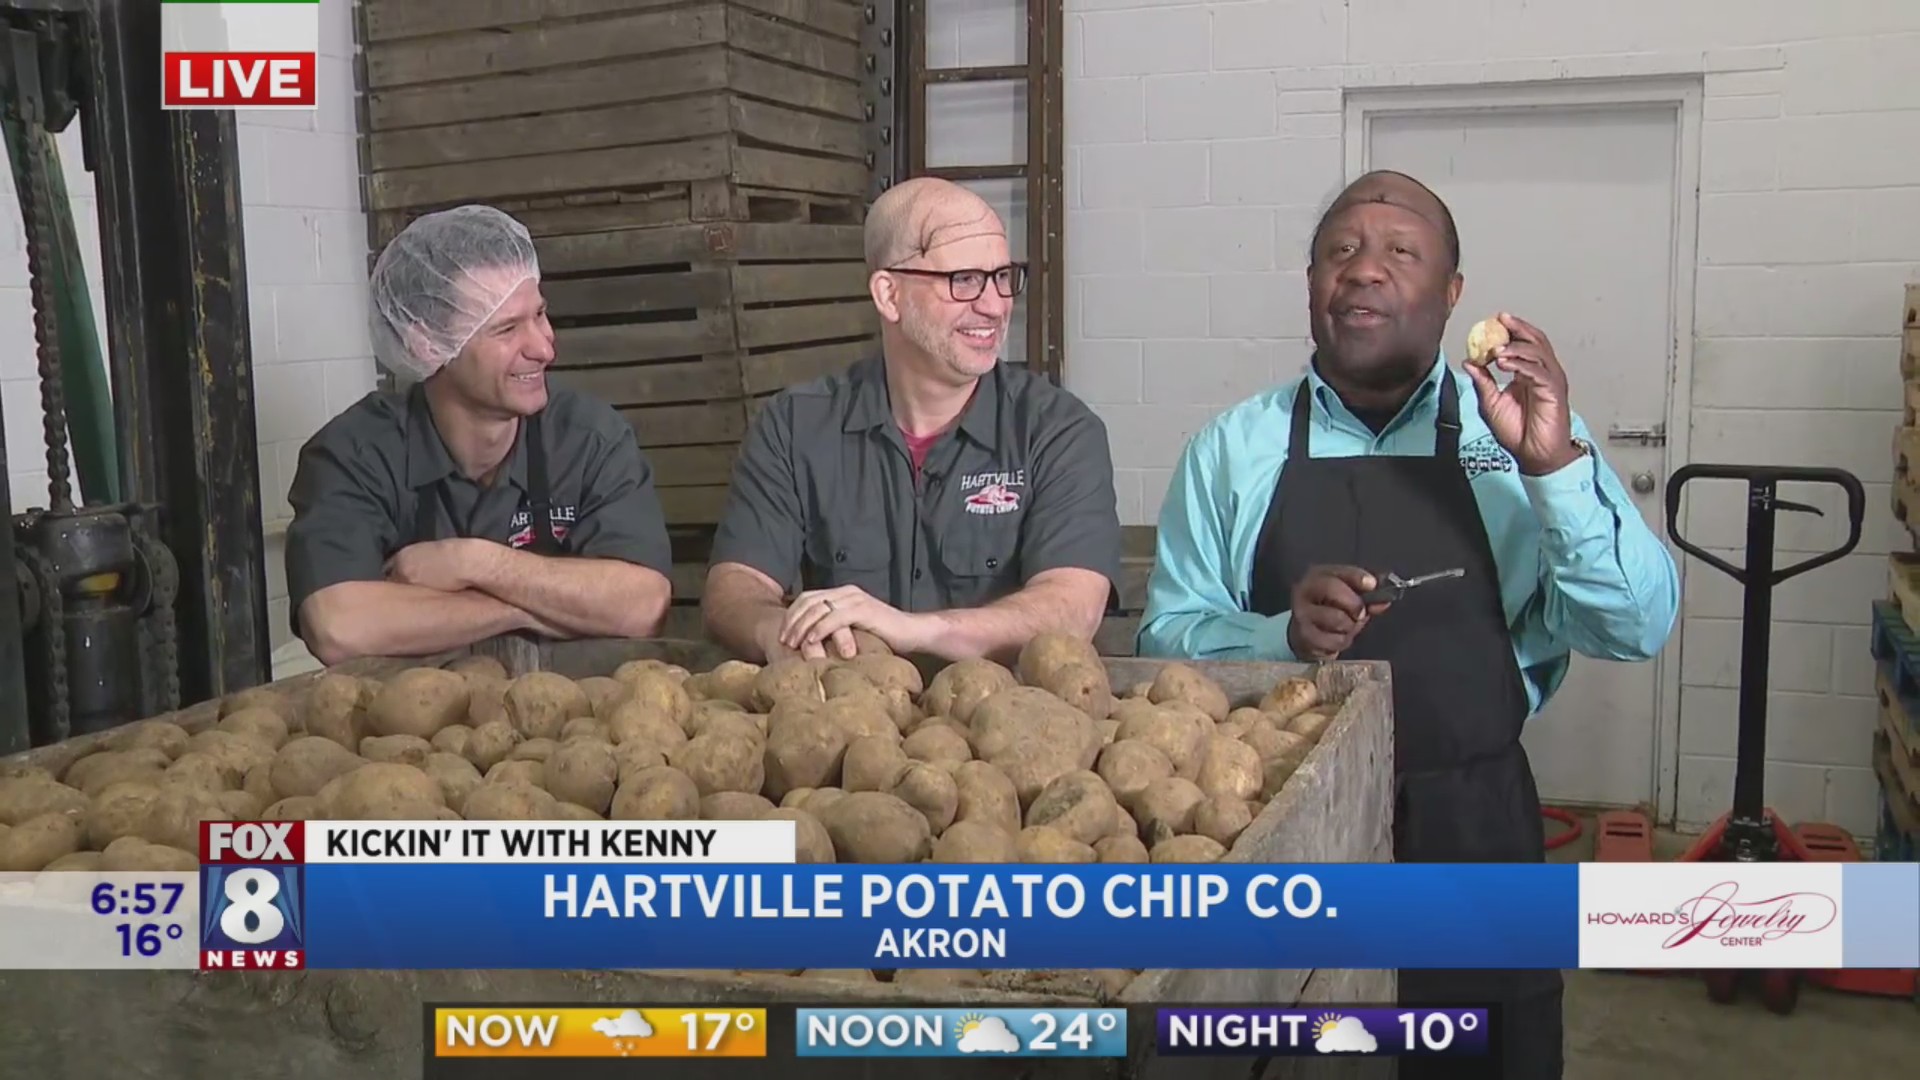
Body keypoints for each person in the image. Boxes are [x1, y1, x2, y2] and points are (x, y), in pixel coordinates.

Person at [1137, 171, 1679, 1078]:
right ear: (1312, 284)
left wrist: (1554, 471)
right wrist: (1278, 639)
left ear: (1452, 292)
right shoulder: (1232, 449)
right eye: (1341, 251)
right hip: (1278, 829)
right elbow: (1165, 641)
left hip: (1474, 837)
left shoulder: (1521, 438)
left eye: (1400, 251)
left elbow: (1637, 627)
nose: (1365, 269)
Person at [702, 177, 1122, 664]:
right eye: (964, 279)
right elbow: (735, 585)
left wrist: (914, 630)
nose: (995, 305)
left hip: (1009, 708)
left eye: (1003, 276)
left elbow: (1071, 607)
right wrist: (775, 631)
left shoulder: (1058, 431)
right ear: (889, 295)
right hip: (849, 704)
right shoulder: (795, 428)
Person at [285, 205, 674, 665]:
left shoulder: (589, 439)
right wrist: (535, 609)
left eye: (540, 314)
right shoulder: (354, 454)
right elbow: (339, 627)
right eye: (507, 329)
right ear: (426, 343)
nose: (544, 347)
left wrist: (472, 563)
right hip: (408, 712)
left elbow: (641, 606)